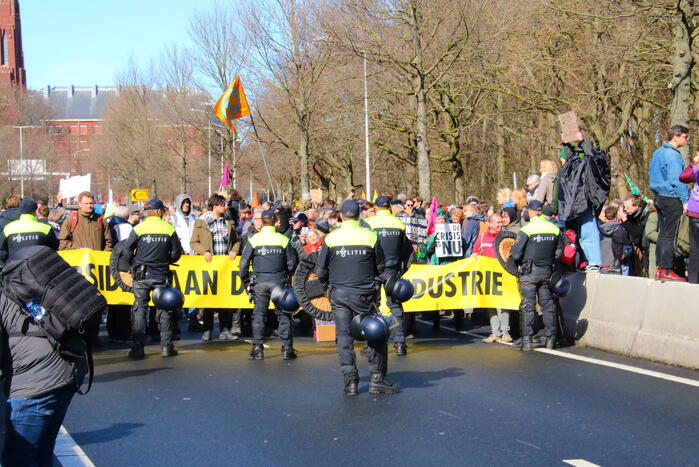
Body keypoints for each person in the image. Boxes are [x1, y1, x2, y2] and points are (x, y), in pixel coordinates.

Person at [316, 200, 399, 395]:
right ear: (359, 215)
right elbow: (380, 266)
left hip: (339, 294)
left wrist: (328, 285)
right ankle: (377, 379)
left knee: (343, 336)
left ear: (341, 216)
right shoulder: (371, 236)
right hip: (364, 294)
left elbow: (320, 270)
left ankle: (350, 382)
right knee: (376, 332)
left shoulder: (331, 238)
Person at [0, 291, 84, 465]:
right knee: (42, 452)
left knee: (18, 458)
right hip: (68, 368)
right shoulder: (29, 283)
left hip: (33, 382)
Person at [123, 199, 183, 358]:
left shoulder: (139, 228)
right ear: (159, 211)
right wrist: (166, 260)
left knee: (140, 310)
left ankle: (138, 349)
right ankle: (166, 347)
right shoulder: (168, 228)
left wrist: (133, 264)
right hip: (161, 275)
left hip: (141, 275)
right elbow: (176, 253)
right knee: (164, 309)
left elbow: (127, 251)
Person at [239, 209, 299, 360]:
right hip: (279, 282)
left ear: (262, 221)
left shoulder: (254, 239)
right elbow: (292, 264)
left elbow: (243, 265)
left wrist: (246, 282)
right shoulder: (283, 239)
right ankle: (287, 349)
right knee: (284, 315)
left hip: (260, 282)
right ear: (275, 221)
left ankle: (257, 349)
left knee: (259, 316)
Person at [58, 191, 113, 345]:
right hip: (78, 272)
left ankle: (93, 336)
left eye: (91, 203)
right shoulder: (71, 220)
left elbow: (109, 242)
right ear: (80, 204)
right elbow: (63, 244)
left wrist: (102, 257)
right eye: (86, 203)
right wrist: (80, 250)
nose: (90, 206)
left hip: (97, 271)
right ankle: (79, 337)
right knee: (79, 305)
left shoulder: (101, 220)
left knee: (97, 304)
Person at [510, 200, 564, 351]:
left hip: (529, 274)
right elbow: (559, 253)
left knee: (528, 305)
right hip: (547, 273)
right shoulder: (554, 229)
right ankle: (550, 339)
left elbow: (516, 254)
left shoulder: (526, 229)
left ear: (531, 212)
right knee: (547, 305)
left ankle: (527, 341)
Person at [366, 196, 413, 356]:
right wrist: (402, 270)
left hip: (374, 270)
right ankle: (400, 343)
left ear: (376, 208)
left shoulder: (369, 223)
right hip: (392, 270)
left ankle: (373, 342)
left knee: (372, 306)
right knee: (395, 306)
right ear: (389, 207)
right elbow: (406, 249)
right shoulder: (398, 223)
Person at [190, 194, 241, 341]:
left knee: (225, 299)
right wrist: (204, 251)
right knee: (209, 300)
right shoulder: (202, 222)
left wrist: (234, 250)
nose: (226, 207)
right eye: (223, 205)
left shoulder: (228, 221)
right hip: (209, 267)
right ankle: (207, 330)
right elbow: (193, 242)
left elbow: (237, 241)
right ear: (215, 206)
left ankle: (225, 330)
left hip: (225, 266)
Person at [558, 134, 610, 272]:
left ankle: (594, 261)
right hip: (576, 204)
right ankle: (586, 261)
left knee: (588, 230)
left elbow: (595, 159)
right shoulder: (574, 163)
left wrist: (582, 141)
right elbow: (570, 159)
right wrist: (566, 144)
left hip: (586, 201)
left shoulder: (590, 162)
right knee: (580, 233)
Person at [649, 125, 690, 281]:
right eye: (685, 137)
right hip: (671, 198)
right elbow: (677, 180)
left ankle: (660, 267)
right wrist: (685, 200)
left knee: (663, 232)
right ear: (676, 137)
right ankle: (667, 269)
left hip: (659, 197)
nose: (687, 140)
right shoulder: (673, 155)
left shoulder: (658, 152)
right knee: (670, 234)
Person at [472, 213, 512, 343]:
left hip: (503, 276)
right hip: (488, 277)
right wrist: (474, 255)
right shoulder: (482, 238)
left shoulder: (505, 237)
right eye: (497, 222)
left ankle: (505, 332)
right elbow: (475, 251)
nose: (500, 224)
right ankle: (495, 333)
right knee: (491, 306)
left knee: (504, 305)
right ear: (489, 223)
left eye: (501, 222)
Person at [0, 198, 59, 263]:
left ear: (20, 210)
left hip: (15, 267)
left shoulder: (8, 228)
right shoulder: (46, 228)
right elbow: (54, 248)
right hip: (38, 266)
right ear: (35, 211)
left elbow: (2, 251)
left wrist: (9, 263)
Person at [679, 149, 699, 283]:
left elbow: (683, 177)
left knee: (695, 249)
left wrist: (694, 163)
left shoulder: (697, 167)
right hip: (695, 213)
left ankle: (693, 282)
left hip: (695, 211)